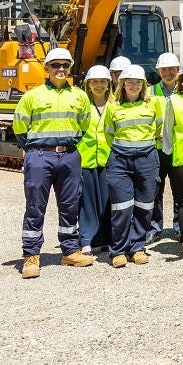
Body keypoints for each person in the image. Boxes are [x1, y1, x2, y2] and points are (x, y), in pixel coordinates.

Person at [14, 48, 94, 278]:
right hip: (40, 156)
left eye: (65, 65)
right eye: (56, 65)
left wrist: (69, 146)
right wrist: (36, 150)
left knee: (70, 204)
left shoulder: (79, 96)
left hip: (69, 156)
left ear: (70, 69)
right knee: (36, 206)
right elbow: (20, 129)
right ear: (46, 68)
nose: (61, 69)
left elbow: (84, 125)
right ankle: (31, 256)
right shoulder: (32, 96)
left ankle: (70, 251)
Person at [105, 64, 163, 268]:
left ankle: (137, 247)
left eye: (138, 82)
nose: (133, 85)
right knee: (121, 207)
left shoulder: (153, 104)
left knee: (144, 206)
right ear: (121, 84)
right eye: (129, 81)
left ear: (144, 85)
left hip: (146, 160)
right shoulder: (113, 106)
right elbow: (108, 133)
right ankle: (118, 250)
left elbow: (159, 127)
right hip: (120, 161)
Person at [149, 52, 183, 258]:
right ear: (158, 71)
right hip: (157, 148)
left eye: (171, 69)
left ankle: (179, 227)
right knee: (154, 190)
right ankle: (154, 228)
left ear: (178, 71)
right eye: (164, 70)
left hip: (178, 148)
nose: (168, 73)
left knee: (180, 191)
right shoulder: (150, 91)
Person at [78, 65, 113, 256]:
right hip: (86, 159)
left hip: (109, 159)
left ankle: (107, 239)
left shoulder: (115, 105)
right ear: (88, 84)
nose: (99, 86)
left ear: (108, 84)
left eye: (102, 82)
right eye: (95, 82)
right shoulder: (82, 105)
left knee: (109, 201)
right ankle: (87, 240)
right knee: (86, 202)